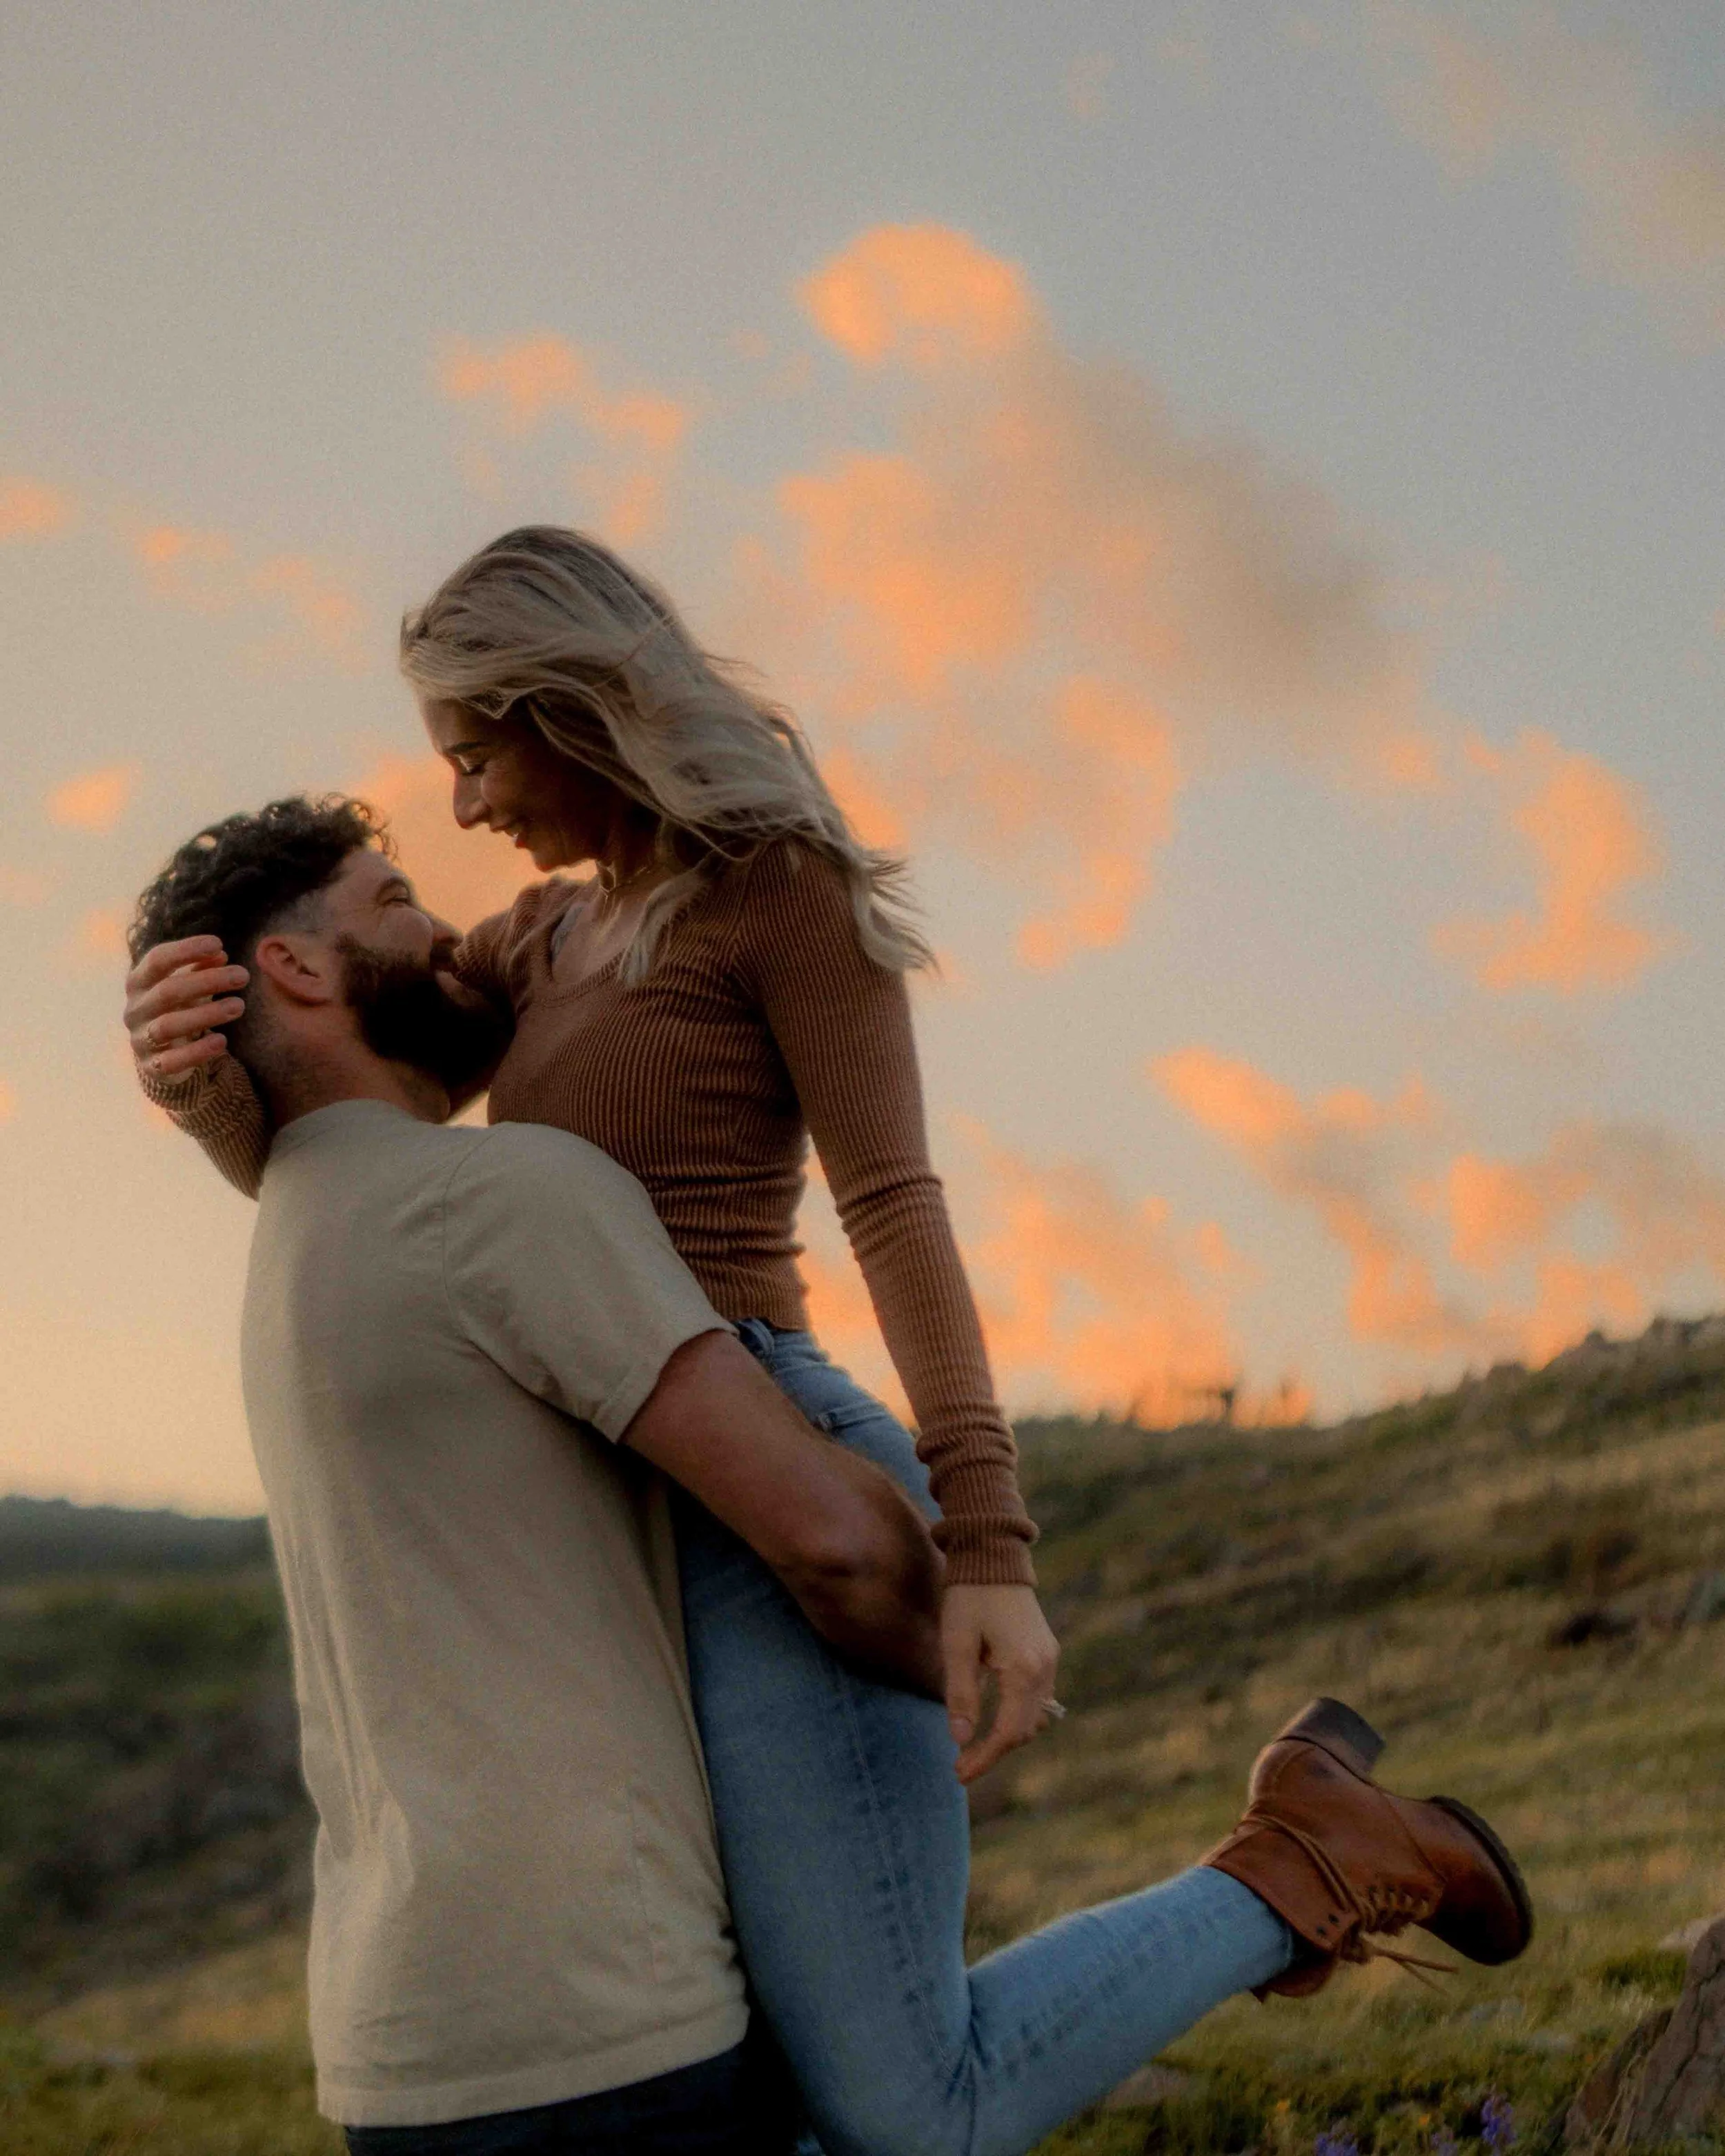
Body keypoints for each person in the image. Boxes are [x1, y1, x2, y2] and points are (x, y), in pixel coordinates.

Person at [126, 531, 1533, 2156]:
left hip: (765, 1453)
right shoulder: (535, 943)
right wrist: (200, 1072)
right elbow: (360, 1144)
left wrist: (987, 1539)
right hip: (646, 1489)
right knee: (776, 2072)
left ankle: (1307, 1859)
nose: (458, 809)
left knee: (895, 2111)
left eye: (471, 755)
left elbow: (897, 1207)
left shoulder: (782, 892)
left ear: (564, 706)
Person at [128, 798, 955, 2153]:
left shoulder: (296, 1231)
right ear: (294, 967)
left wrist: (209, 1087)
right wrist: (975, 1647)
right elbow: (837, 1547)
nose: (443, 929)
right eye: (393, 898)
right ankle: (1291, 1869)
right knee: (929, 2109)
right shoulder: (498, 1195)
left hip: (401, 2047)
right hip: (599, 2010)